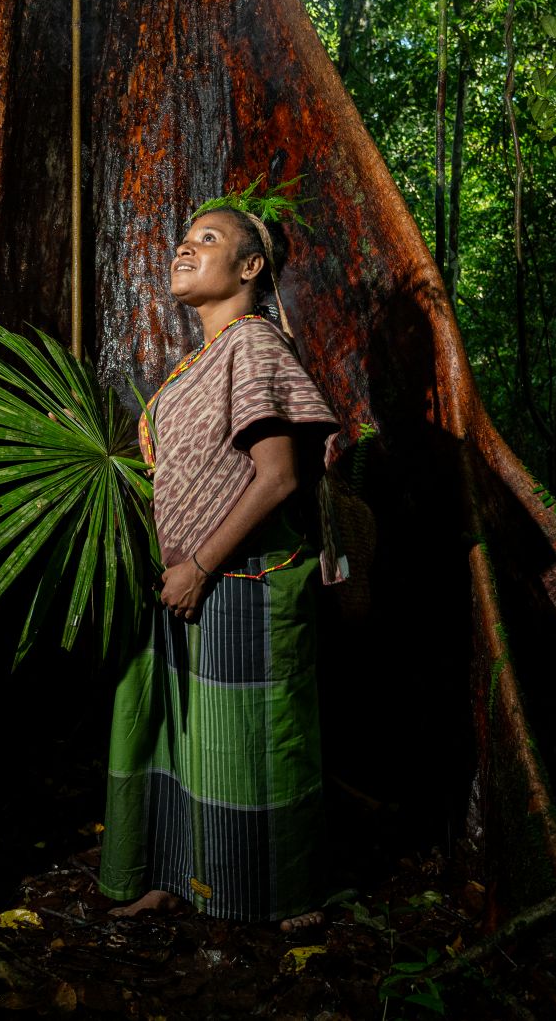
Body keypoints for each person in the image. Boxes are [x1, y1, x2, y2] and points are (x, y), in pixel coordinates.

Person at [98, 191, 338, 931]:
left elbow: (280, 476)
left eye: (206, 238)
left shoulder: (254, 345)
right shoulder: (191, 366)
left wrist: (200, 564)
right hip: (182, 581)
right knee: (179, 741)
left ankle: (274, 898)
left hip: (240, 579)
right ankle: (175, 878)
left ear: (250, 265)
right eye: (183, 237)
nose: (183, 247)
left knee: (247, 744)